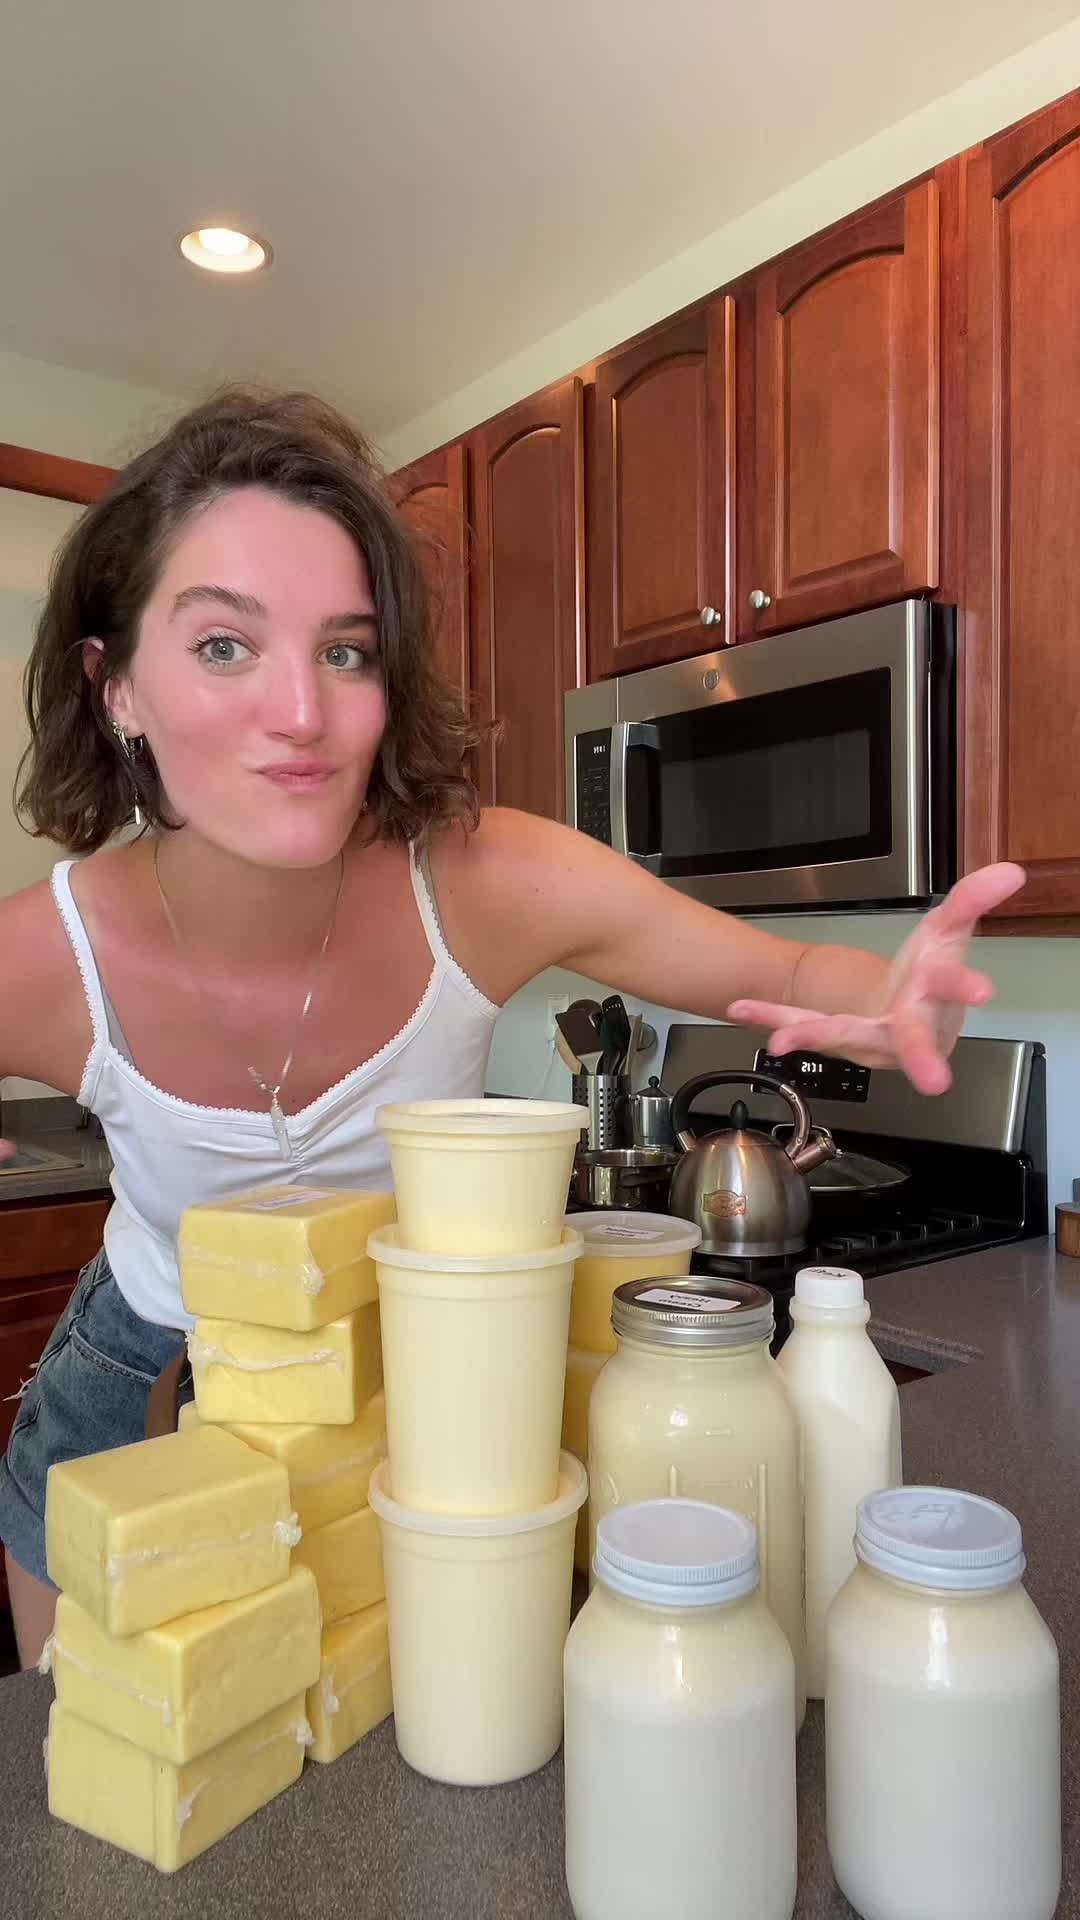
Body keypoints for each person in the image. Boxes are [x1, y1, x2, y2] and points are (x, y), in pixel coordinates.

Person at [0, 387, 1023, 1669]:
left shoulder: (479, 883)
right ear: (116, 690)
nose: (303, 711)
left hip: (434, 1397)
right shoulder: (49, 958)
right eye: (223, 645)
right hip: (141, 1400)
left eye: (347, 651)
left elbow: (787, 969)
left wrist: (887, 995)